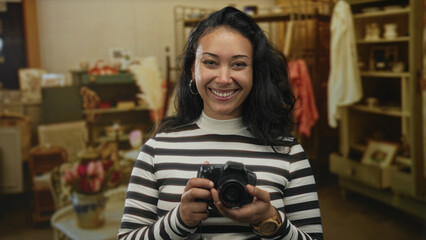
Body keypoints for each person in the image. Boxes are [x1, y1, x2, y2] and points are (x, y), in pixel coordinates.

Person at [118, 6, 323, 240]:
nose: (224, 79)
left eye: (238, 64)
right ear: (192, 71)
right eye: (211, 62)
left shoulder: (289, 153)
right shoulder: (156, 150)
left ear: (255, 74)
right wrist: (179, 221)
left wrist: (270, 220)